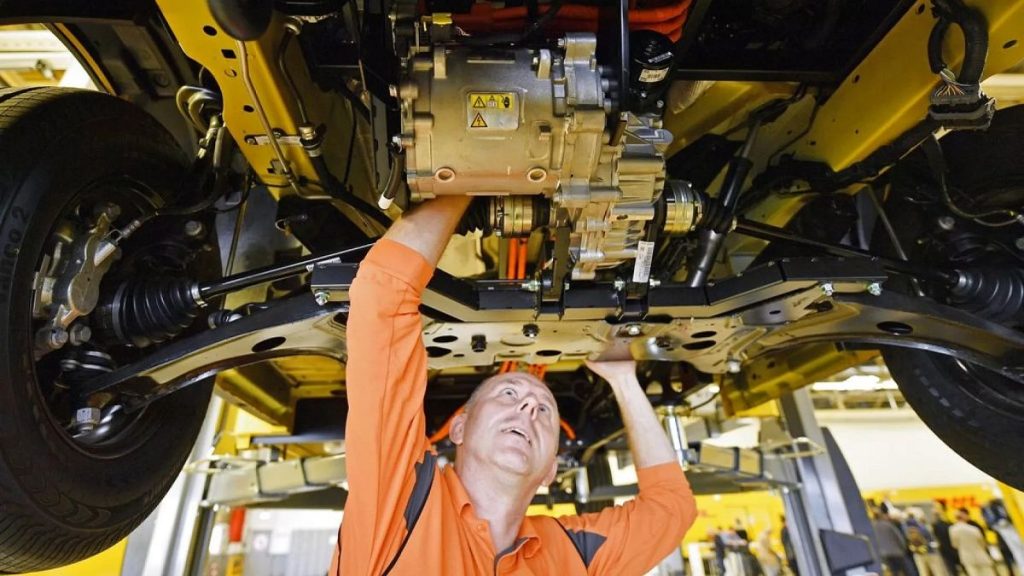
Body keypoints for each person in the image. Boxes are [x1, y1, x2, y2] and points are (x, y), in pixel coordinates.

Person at [330, 196, 698, 575]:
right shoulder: (397, 505)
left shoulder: (572, 551)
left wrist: (623, 381)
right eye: (508, 394)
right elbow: (673, 508)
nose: (528, 408)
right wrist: (468, 177)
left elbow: (383, 295)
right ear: (459, 426)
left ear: (551, 469)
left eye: (544, 411)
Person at [949, 509, 997, 576]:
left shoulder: (952, 530)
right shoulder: (974, 529)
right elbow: (982, 542)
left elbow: (955, 544)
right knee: (988, 573)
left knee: (973, 574)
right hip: (980, 554)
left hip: (966, 556)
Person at [904, 507, 948, 576]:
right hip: (930, 552)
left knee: (923, 572)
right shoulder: (923, 527)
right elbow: (931, 540)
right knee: (937, 571)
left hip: (917, 553)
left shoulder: (906, 528)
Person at [873, 508, 911, 576]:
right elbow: (898, 537)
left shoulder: (873, 527)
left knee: (894, 572)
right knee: (906, 571)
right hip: (897, 552)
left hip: (885, 554)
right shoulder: (888, 525)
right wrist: (903, 548)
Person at [932, 502, 961, 576]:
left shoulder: (946, 522)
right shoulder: (938, 524)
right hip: (948, 549)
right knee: (953, 568)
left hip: (951, 548)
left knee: (955, 567)